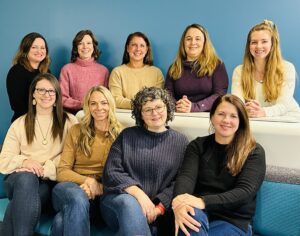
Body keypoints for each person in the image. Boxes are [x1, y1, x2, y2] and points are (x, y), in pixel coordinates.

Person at [172, 94, 266, 236]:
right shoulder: (197, 146)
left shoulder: (253, 151)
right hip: (198, 213)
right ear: (212, 116)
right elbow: (186, 178)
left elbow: (244, 192)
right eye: (221, 114)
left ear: (241, 120)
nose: (226, 120)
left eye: (233, 116)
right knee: (189, 218)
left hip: (232, 221)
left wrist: (203, 201)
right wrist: (179, 203)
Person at [100, 87, 189, 235]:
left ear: (168, 107)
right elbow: (111, 171)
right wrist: (139, 195)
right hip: (120, 202)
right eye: (148, 109)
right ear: (140, 114)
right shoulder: (127, 135)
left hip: (160, 210)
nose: (154, 113)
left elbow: (180, 181)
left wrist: (159, 208)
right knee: (129, 205)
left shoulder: (180, 141)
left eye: (159, 107)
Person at [0, 73, 78, 236]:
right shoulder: (20, 123)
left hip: (49, 182)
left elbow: (74, 156)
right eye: (41, 90)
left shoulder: (70, 122)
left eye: (51, 91)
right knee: (27, 179)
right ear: (33, 94)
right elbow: (4, 160)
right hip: (19, 180)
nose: (46, 95)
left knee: (23, 202)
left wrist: (46, 168)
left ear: (57, 96)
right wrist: (25, 162)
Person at [50, 86, 122, 236]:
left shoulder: (121, 133)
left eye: (104, 103)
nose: (99, 108)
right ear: (88, 106)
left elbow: (123, 173)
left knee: (60, 222)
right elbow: (62, 172)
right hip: (69, 187)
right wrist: (88, 181)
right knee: (77, 197)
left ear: (110, 105)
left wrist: (99, 187)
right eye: (93, 103)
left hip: (99, 194)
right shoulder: (76, 130)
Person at [231, 20, 299, 117]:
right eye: (254, 42)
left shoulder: (287, 68)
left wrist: (263, 112)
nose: (259, 46)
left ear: (272, 44)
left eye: (264, 41)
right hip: (255, 120)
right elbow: (237, 103)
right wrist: (244, 109)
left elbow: (284, 105)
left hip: (289, 120)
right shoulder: (239, 71)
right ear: (248, 46)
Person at [165, 24, 228, 113]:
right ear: (183, 43)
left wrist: (194, 107)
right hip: (180, 115)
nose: (193, 43)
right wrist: (178, 106)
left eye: (197, 39)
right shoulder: (174, 68)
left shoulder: (217, 65)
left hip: (208, 117)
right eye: (188, 39)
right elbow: (167, 95)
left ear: (204, 42)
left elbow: (220, 95)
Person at [109, 32, 164, 109]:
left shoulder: (156, 72)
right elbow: (116, 99)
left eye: (142, 46)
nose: (138, 49)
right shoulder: (117, 72)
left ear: (146, 49)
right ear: (128, 48)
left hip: (151, 117)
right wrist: (140, 104)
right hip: (124, 117)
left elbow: (159, 99)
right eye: (134, 45)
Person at [59, 30, 109, 114]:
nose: (85, 46)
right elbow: (62, 98)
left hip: (97, 116)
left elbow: (107, 100)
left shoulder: (103, 71)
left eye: (88, 43)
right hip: (74, 117)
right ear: (76, 47)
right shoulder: (67, 69)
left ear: (93, 46)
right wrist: (82, 104)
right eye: (80, 43)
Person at [6, 32, 51, 122]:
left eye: (42, 48)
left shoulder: (47, 72)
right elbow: (17, 105)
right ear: (25, 50)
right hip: (24, 121)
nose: (39, 51)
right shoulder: (16, 71)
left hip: (44, 120)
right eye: (34, 47)